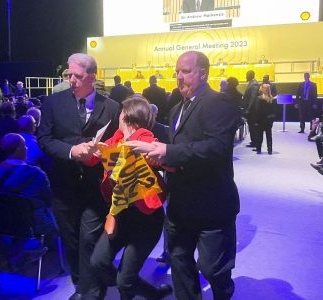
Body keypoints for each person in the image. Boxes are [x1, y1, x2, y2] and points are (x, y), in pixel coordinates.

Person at [127, 51, 240, 300]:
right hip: (180, 203)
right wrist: (162, 159)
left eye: (185, 71)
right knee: (179, 260)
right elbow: (179, 149)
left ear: (203, 73)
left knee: (212, 268)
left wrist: (168, 151)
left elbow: (216, 148)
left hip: (212, 203)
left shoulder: (218, 102)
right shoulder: (177, 107)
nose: (179, 76)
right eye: (176, 71)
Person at [37, 53, 119, 300]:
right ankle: (80, 285)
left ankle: (90, 292)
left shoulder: (112, 107)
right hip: (64, 186)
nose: (71, 80)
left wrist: (101, 153)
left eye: (77, 76)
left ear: (92, 77)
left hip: (95, 187)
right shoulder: (53, 103)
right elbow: (44, 139)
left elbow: (116, 146)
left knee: (89, 240)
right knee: (71, 241)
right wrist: (73, 151)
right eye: (68, 75)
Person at [88, 96, 172, 299]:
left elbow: (167, 160)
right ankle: (144, 290)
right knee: (98, 263)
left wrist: (151, 152)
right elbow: (92, 159)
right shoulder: (115, 139)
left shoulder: (145, 138)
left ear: (125, 115)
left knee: (125, 280)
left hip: (146, 219)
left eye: (120, 112)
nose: (118, 116)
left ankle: (135, 287)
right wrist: (91, 150)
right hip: (120, 215)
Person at [255, 84, 277, 154]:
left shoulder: (259, 98)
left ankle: (258, 149)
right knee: (269, 135)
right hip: (269, 120)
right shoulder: (272, 99)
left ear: (263, 89)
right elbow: (274, 111)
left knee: (259, 135)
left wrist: (256, 120)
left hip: (261, 119)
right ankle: (270, 150)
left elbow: (257, 110)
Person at [243, 70, 260, 148]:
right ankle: (253, 141)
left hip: (253, 110)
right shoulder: (251, 83)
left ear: (251, 75)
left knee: (253, 126)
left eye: (247, 75)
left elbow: (253, 98)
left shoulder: (254, 84)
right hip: (251, 109)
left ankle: (255, 142)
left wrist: (248, 109)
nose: (246, 76)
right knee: (251, 126)